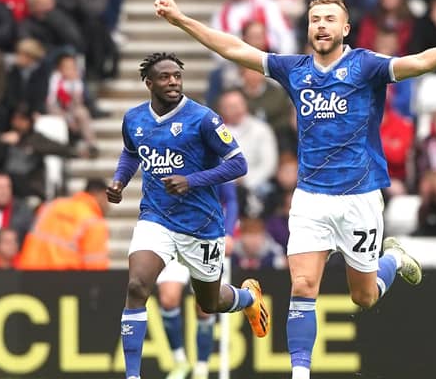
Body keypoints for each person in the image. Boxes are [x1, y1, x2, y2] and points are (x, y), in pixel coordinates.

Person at [154, 0, 436, 378]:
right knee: (302, 285)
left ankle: (393, 259)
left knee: (363, 297)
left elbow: (417, 63)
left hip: (359, 197)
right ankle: (301, 373)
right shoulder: (294, 69)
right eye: (315, 20)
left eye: (330, 19)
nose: (321, 25)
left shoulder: (366, 66)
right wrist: (180, 19)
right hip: (311, 198)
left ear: (346, 28)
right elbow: (234, 48)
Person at [105, 52, 270, 379]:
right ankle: (133, 375)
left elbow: (239, 165)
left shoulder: (203, 118)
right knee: (138, 285)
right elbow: (130, 151)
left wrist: (191, 180)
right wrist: (120, 181)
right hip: (156, 218)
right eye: (165, 77)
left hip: (202, 225)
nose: (173, 83)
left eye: (177, 77)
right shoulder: (134, 119)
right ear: (149, 83)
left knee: (211, 302)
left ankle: (249, 298)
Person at [157, 182, 239, 379]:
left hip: (206, 238)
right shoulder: (170, 156)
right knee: (168, 299)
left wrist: (228, 232)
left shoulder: (212, 155)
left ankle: (202, 367)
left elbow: (231, 199)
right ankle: (180, 362)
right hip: (174, 235)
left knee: (205, 306)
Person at [16, 178, 110, 270]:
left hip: (29, 275)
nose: (108, 205)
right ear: (101, 195)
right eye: (108, 199)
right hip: (64, 280)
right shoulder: (94, 222)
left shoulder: (52, 206)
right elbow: (95, 267)